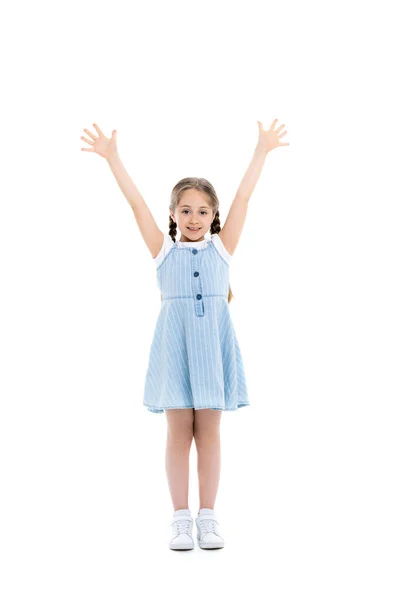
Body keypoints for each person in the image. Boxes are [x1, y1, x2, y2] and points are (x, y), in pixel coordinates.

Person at [80, 119, 289, 550]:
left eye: (204, 211)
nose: (194, 218)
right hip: (174, 350)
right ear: (173, 214)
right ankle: (179, 518)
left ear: (214, 217)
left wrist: (261, 151)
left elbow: (244, 197)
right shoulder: (163, 252)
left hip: (212, 348)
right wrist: (113, 158)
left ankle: (208, 517)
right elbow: (135, 202)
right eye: (186, 210)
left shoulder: (221, 248)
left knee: (208, 432)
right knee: (178, 432)